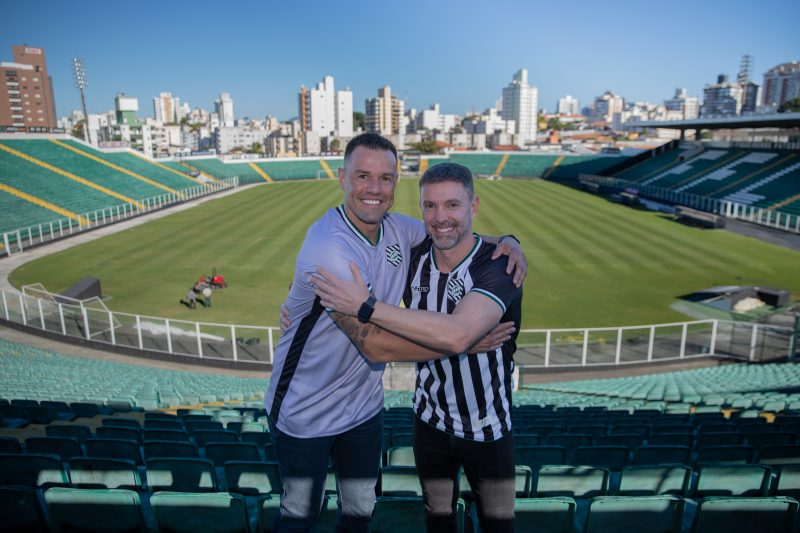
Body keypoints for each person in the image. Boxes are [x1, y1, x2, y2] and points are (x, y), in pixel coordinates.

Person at [264, 133, 526, 532]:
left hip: (364, 409)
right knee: (299, 515)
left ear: (396, 182)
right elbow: (376, 344)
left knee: (359, 512)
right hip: (305, 409)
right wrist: (463, 346)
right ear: (342, 178)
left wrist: (509, 241)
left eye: (385, 178)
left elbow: (450, 232)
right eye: (363, 176)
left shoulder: (399, 230)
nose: (374, 189)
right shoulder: (328, 249)